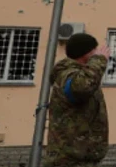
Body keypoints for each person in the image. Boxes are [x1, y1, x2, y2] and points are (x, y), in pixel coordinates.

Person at [44, 33, 111, 167]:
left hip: (80, 157)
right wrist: (99, 60)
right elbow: (82, 87)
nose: (96, 52)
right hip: (69, 159)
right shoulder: (67, 75)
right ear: (85, 53)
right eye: (94, 50)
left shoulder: (79, 74)